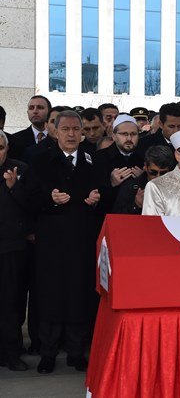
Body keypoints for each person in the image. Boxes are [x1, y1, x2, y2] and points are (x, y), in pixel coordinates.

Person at [23, 110, 102, 374]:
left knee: (79, 295)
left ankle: (77, 352)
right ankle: (48, 353)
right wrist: (49, 201)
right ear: (55, 131)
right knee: (50, 297)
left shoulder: (93, 161)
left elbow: (103, 197)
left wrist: (95, 201)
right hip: (51, 243)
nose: (71, 134)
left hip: (81, 241)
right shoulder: (39, 160)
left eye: (75, 130)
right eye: (65, 129)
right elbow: (27, 200)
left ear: (82, 133)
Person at [0, 130, 29, 371]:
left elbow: (32, 206)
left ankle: (12, 353)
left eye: (0, 148)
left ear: (7, 149)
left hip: (11, 248)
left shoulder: (21, 170)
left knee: (10, 304)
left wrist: (14, 187)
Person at [93, 115, 144, 212]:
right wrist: (111, 183)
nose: (129, 138)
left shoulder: (145, 157)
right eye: (124, 134)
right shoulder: (98, 158)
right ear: (114, 136)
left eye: (133, 134)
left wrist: (142, 179)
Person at [113, 146, 175, 215]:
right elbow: (116, 217)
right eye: (153, 172)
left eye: (163, 173)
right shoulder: (130, 187)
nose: (158, 177)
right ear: (145, 166)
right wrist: (136, 205)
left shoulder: (176, 188)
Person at [8, 95, 51, 161]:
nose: (35, 111)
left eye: (40, 107)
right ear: (27, 112)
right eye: (31, 108)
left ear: (49, 111)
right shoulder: (15, 139)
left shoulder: (58, 138)